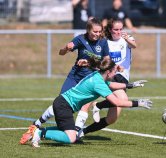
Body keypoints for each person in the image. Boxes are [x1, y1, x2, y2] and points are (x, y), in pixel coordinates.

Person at [22, 57, 152, 147]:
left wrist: (129, 85)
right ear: (108, 72)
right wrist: (138, 103)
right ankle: (39, 132)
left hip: (62, 103)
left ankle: (38, 130)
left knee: (69, 131)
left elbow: (111, 84)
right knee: (71, 138)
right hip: (64, 106)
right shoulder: (98, 83)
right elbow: (117, 102)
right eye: (114, 71)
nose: (115, 74)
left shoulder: (97, 75)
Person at [19, 17, 110, 145]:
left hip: (89, 79)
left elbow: (106, 62)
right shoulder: (80, 39)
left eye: (99, 31)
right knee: (61, 103)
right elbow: (61, 53)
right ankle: (36, 125)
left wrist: (89, 63)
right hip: (75, 76)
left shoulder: (103, 42)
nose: (98, 34)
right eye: (95, 31)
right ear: (88, 30)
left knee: (84, 106)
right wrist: (66, 48)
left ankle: (74, 134)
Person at [75, 18, 139, 137]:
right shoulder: (105, 42)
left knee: (111, 119)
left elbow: (134, 45)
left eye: (121, 29)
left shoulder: (127, 39)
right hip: (109, 75)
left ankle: (82, 132)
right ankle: (83, 119)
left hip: (122, 78)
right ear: (110, 29)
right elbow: (98, 58)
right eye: (116, 29)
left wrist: (127, 39)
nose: (119, 32)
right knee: (123, 99)